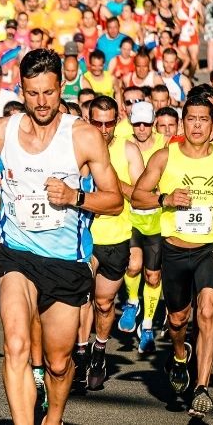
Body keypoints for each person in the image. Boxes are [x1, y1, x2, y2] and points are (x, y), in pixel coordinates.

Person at [0, 49, 123, 425]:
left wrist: (75, 197)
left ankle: (53, 419)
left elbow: (116, 200)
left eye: (49, 92)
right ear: (21, 90)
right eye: (33, 93)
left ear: (61, 88)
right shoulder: (1, 130)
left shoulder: (84, 136)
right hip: (16, 254)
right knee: (17, 346)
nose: (41, 102)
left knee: (58, 364)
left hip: (64, 262)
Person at [131, 95, 213, 418]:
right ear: (183, 122)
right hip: (174, 248)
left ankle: (201, 386)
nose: (197, 125)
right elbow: (139, 198)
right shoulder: (164, 157)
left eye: (203, 120)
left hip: (212, 246)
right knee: (178, 319)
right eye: (192, 119)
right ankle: (181, 354)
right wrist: (165, 198)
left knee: (208, 310)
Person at [77, 96, 135, 390]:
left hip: (117, 236)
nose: (102, 129)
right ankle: (78, 351)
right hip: (83, 237)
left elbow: (141, 196)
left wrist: (111, 183)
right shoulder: (76, 147)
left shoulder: (127, 149)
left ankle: (99, 350)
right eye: (96, 122)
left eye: (108, 122)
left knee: (103, 302)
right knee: (79, 298)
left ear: (117, 121)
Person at [121, 101, 166, 353]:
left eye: (146, 124)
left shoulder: (164, 145)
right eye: (136, 123)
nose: (141, 128)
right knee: (133, 265)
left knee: (153, 275)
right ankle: (131, 301)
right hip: (131, 216)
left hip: (157, 218)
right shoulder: (124, 144)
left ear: (153, 123)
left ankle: (147, 325)